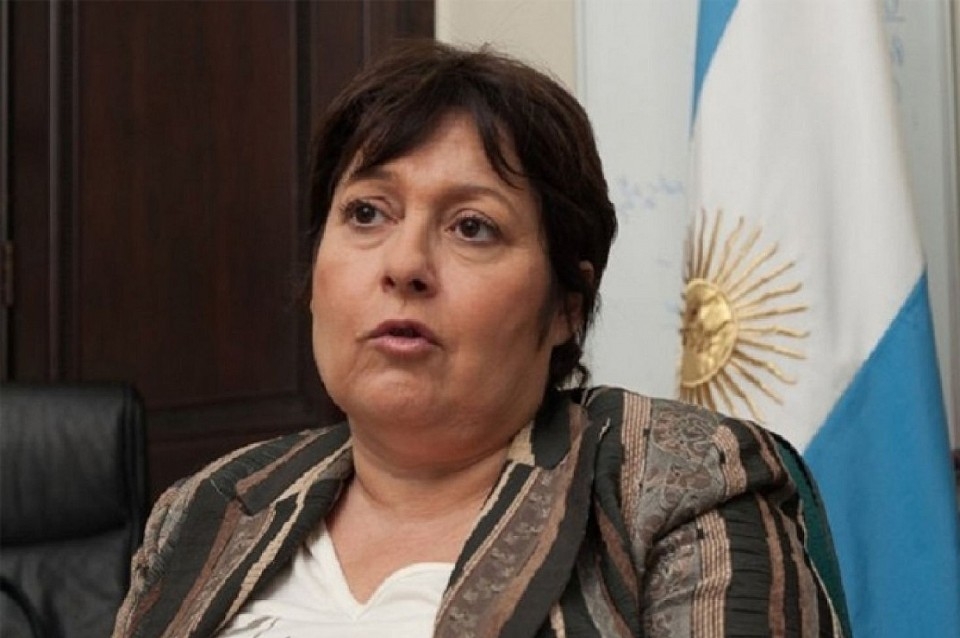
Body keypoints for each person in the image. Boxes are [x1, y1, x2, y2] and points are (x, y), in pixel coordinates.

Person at [113, 41, 848, 637]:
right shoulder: (207, 510)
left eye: (473, 227)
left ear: (565, 307)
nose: (404, 264)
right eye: (367, 213)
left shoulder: (676, 487)